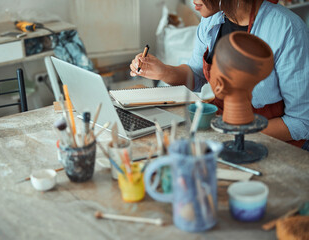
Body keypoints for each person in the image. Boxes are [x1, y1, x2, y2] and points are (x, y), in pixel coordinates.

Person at [129, 0, 309, 150]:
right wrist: (163, 71)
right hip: (222, 130)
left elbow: (301, 122)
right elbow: (196, 75)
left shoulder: (287, 29)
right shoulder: (213, 19)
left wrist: (232, 134)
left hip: (278, 145)